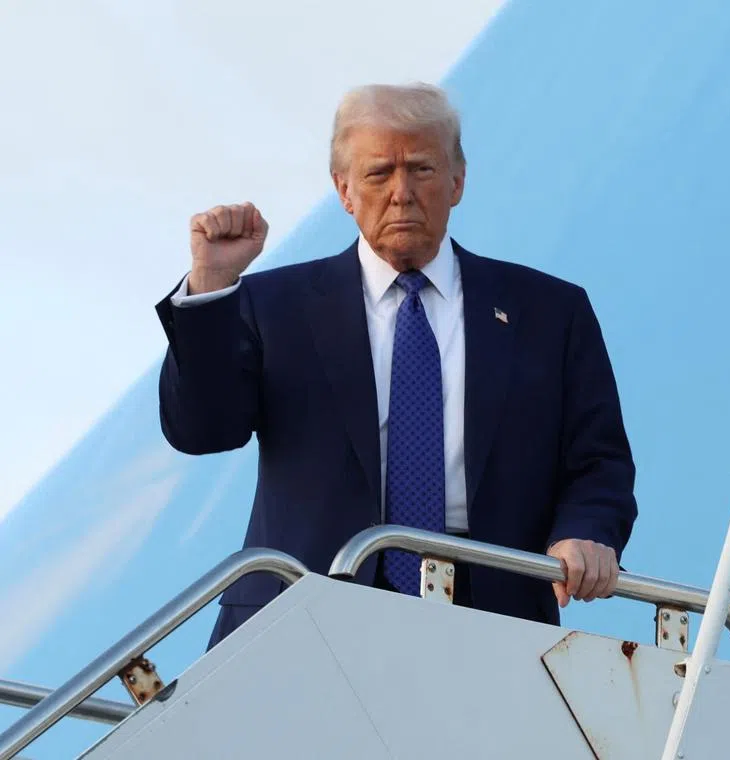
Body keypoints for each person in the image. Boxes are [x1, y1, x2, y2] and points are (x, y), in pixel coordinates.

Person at [154, 83, 638, 648]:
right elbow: (202, 431)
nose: (401, 193)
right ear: (344, 191)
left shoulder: (549, 311)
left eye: (423, 169)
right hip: (306, 619)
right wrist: (212, 288)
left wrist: (585, 533)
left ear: (458, 181)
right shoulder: (272, 305)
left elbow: (598, 460)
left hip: (493, 622)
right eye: (379, 173)